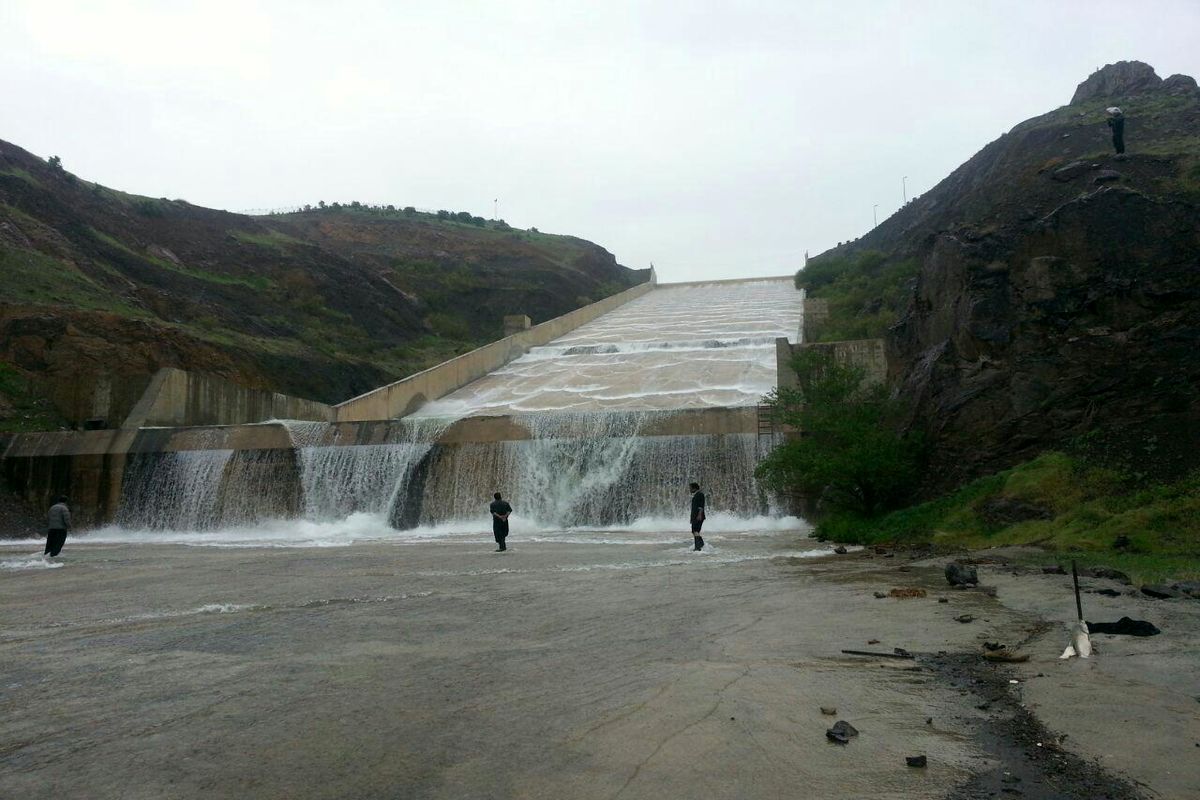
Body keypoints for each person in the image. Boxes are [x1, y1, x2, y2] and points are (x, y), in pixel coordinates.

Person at [688, 482, 706, 551]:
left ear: (694, 488)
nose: (689, 489)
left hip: (698, 516)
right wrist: (691, 518)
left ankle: (698, 547)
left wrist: (699, 515)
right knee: (695, 531)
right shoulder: (696, 495)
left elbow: (701, 506)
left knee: (695, 530)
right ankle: (700, 545)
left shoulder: (700, 494)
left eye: (690, 488)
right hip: (695, 516)